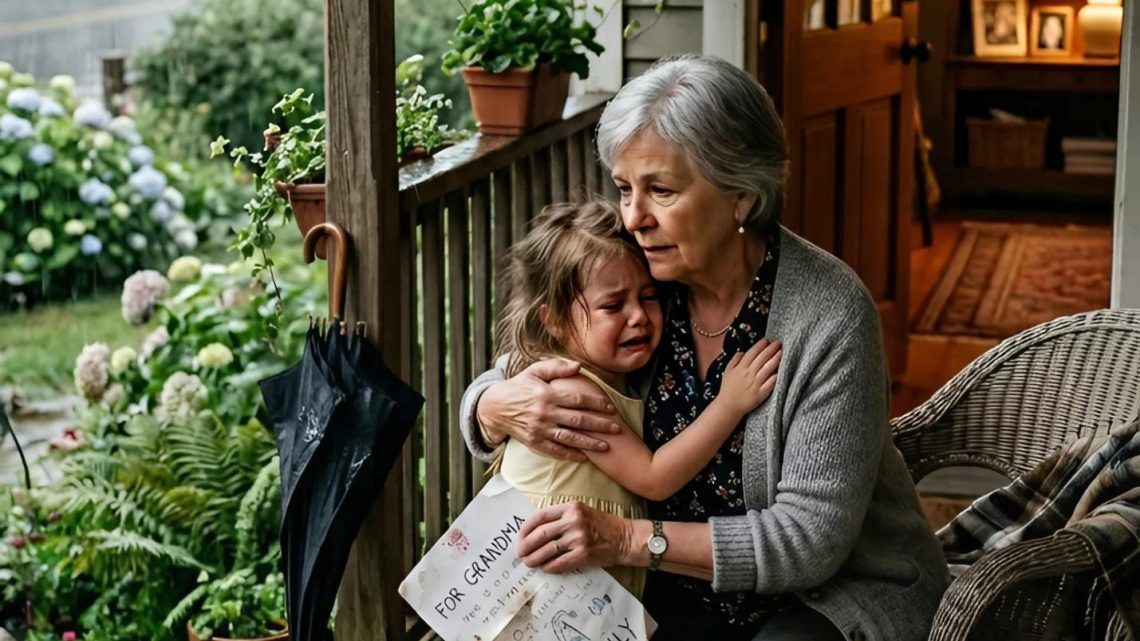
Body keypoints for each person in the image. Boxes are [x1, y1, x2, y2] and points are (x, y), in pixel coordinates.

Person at [458, 54, 948, 641]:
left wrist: (625, 540)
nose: (634, 217)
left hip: (825, 595)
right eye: (624, 188)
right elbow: (532, 358)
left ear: (739, 195)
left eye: (660, 190)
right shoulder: (641, 279)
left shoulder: (829, 313)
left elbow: (808, 545)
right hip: (669, 583)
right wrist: (488, 408)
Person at [491, 200, 783, 598]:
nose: (638, 317)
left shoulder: (612, 375)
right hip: (548, 579)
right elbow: (655, 478)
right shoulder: (570, 391)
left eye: (648, 297)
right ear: (554, 321)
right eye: (613, 305)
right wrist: (729, 404)